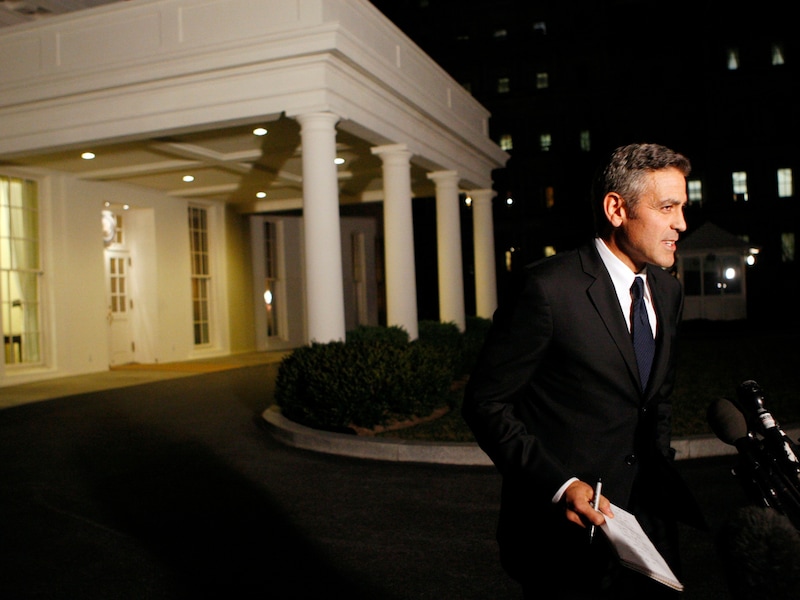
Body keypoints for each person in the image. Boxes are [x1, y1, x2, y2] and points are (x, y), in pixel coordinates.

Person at [462, 143, 706, 599]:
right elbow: (486, 403)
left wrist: (658, 473)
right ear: (617, 208)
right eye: (668, 207)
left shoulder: (667, 291)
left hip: (647, 531)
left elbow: (657, 399)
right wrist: (561, 485)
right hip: (564, 537)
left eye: (683, 208)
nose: (681, 224)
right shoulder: (548, 289)